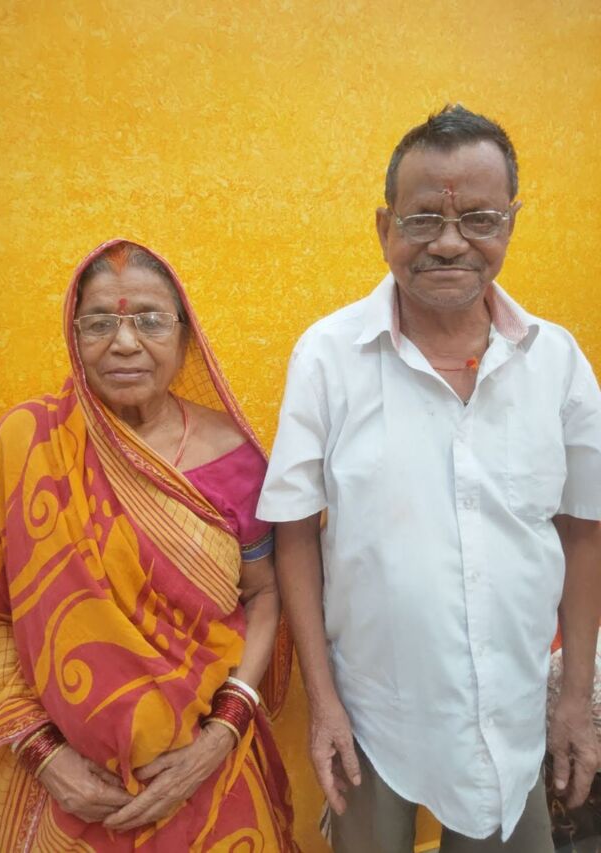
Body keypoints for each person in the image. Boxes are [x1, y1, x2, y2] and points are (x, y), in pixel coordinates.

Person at [257, 105, 601, 852]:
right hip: (372, 711)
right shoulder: (328, 357)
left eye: (479, 218)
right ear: (385, 228)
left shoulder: (557, 362)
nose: (449, 242)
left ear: (511, 223)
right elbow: (295, 535)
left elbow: (583, 532)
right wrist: (323, 705)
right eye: (422, 220)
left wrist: (574, 698)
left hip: (511, 713)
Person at [0, 239, 297, 851]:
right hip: (65, 789)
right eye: (98, 323)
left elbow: (265, 593)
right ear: (73, 336)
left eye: (149, 320)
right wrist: (42, 752)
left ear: (185, 336)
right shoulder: (24, 444)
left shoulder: (237, 458)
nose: (123, 343)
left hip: (208, 771)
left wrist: (225, 728)